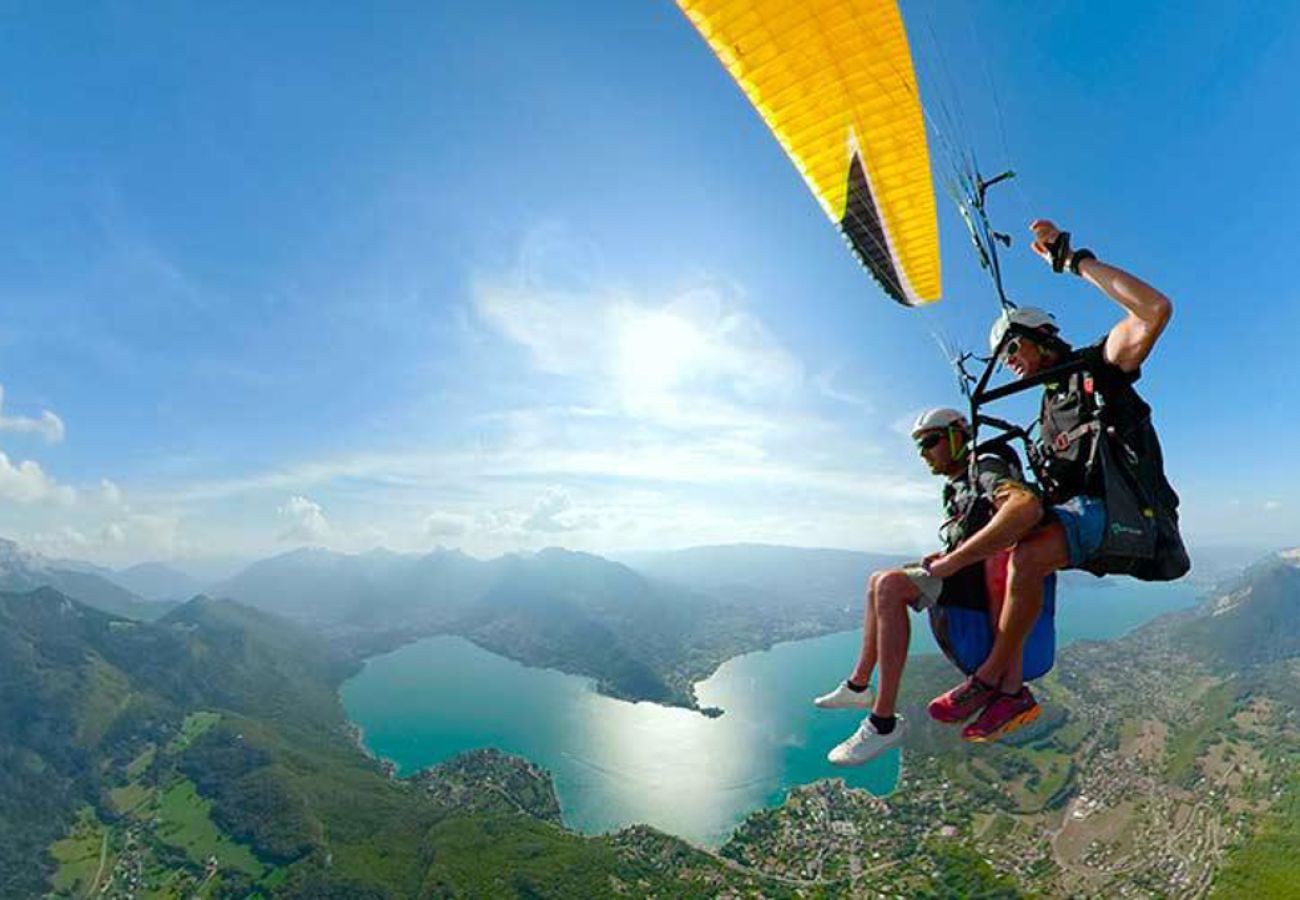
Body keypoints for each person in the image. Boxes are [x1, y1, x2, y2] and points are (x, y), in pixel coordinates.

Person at [924, 218, 1176, 740]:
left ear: (1039, 337)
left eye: (1013, 351)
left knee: (1028, 552)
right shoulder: (1046, 414)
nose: (1010, 364)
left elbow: (1155, 311)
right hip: (1088, 520)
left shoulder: (1097, 369)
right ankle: (1012, 689)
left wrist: (1073, 259)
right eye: (1004, 358)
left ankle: (993, 680)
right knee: (1001, 544)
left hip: (1131, 517)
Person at [814, 408, 1042, 765]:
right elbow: (978, 530)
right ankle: (859, 686)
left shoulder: (984, 465)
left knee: (889, 585)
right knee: (878, 581)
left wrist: (953, 560)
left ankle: (883, 722)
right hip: (968, 572)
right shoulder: (957, 484)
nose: (924, 453)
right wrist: (950, 552)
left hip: (983, 582)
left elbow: (1021, 507)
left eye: (930, 442)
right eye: (920, 446)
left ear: (956, 436)